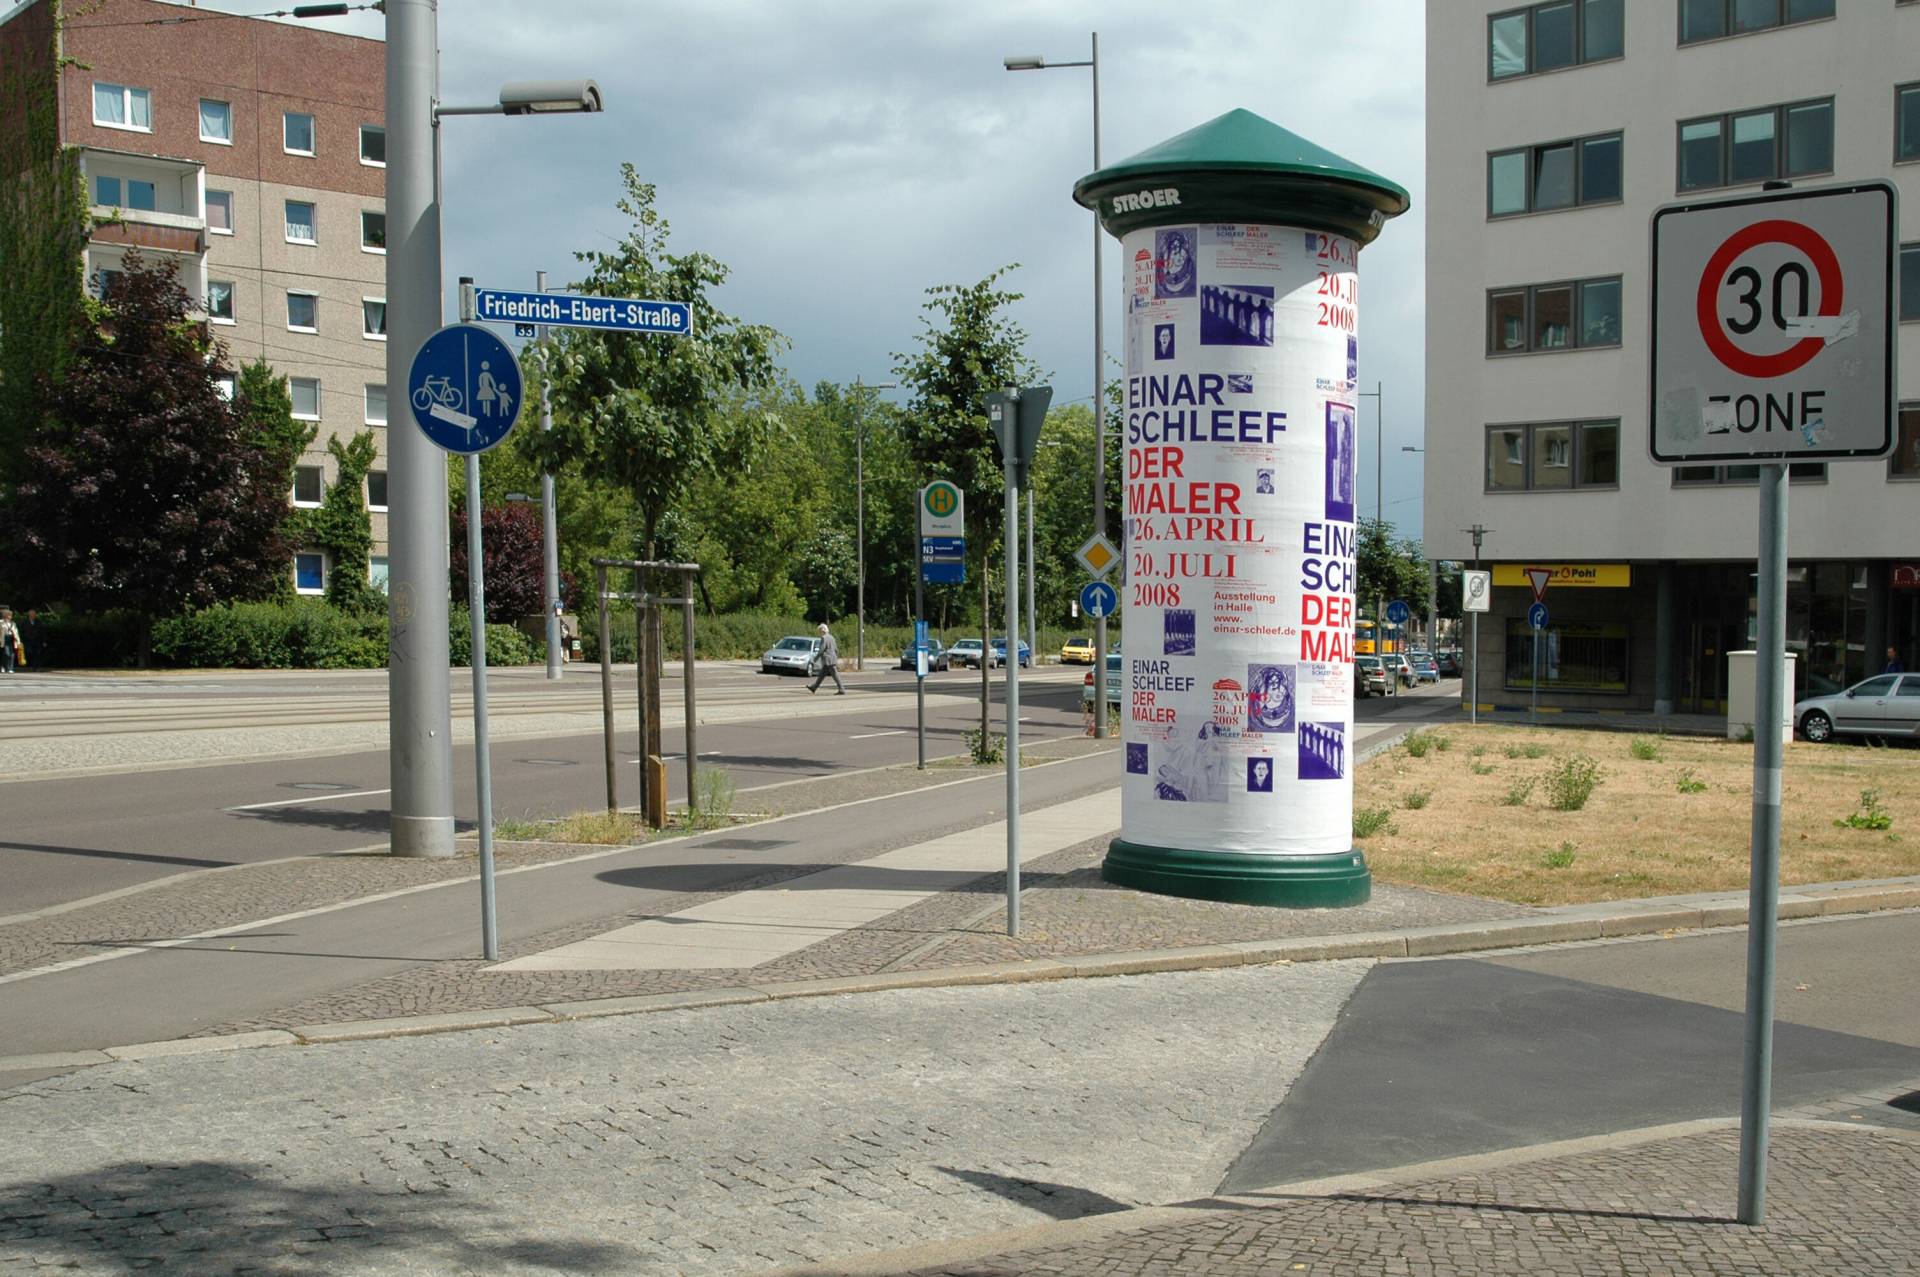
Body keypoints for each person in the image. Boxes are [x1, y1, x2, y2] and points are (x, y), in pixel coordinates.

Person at [809, 622, 845, 695]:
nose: (819, 632)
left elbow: (821, 650)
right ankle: (814, 687)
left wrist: (815, 659)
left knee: (835, 675)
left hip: (828, 659)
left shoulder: (824, 638)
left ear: (823, 630)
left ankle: (841, 689)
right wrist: (836, 657)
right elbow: (836, 649)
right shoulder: (831, 637)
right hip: (832, 658)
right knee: (822, 674)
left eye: (819, 631)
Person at [0, 609, 18, 675]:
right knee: (7, 653)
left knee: (12, 654)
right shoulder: (1, 622)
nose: (10, 616)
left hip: (12, 639)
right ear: (5, 615)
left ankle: (10, 668)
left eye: (10, 615)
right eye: (9, 615)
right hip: (4, 639)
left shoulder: (13, 623)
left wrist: (18, 641)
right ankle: (3, 666)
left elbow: (16, 632)